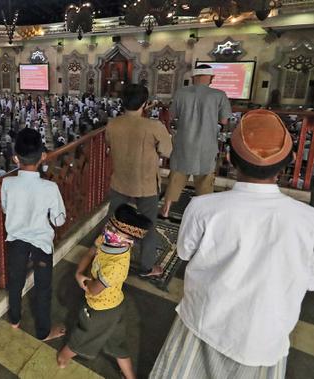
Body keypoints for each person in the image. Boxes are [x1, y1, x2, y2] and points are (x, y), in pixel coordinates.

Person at [150, 110, 314, 378]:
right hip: (264, 339)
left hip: (203, 323)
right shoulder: (309, 221)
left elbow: (183, 251)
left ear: (228, 158)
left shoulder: (203, 207)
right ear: (291, 160)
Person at [57, 204, 152, 379]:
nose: (108, 230)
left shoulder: (117, 265)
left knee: (81, 336)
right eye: (110, 225)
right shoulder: (109, 239)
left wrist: (81, 280)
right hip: (116, 306)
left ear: (129, 238)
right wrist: (79, 273)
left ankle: (63, 358)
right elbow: (91, 251)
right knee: (117, 344)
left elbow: (93, 290)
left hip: (100, 310)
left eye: (115, 229)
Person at [1, 128, 66, 341]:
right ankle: (43, 331)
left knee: (16, 281)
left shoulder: (7, 183)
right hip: (41, 243)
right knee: (43, 288)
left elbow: (4, 208)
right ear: (43, 156)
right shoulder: (50, 187)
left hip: (16, 241)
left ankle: (14, 319)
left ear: (15, 158)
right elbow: (59, 220)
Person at [106, 84, 172, 278]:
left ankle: (109, 259)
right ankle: (146, 267)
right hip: (146, 186)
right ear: (145, 103)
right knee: (149, 226)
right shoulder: (154, 127)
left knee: (114, 222)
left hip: (119, 182)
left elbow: (109, 143)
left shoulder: (112, 124)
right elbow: (167, 151)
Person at [159, 64, 232, 219]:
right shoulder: (219, 95)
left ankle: (166, 209)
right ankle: (203, 215)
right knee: (205, 180)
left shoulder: (181, 93)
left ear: (193, 78)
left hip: (184, 143)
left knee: (176, 177)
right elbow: (225, 120)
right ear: (211, 78)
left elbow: (171, 116)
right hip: (207, 145)